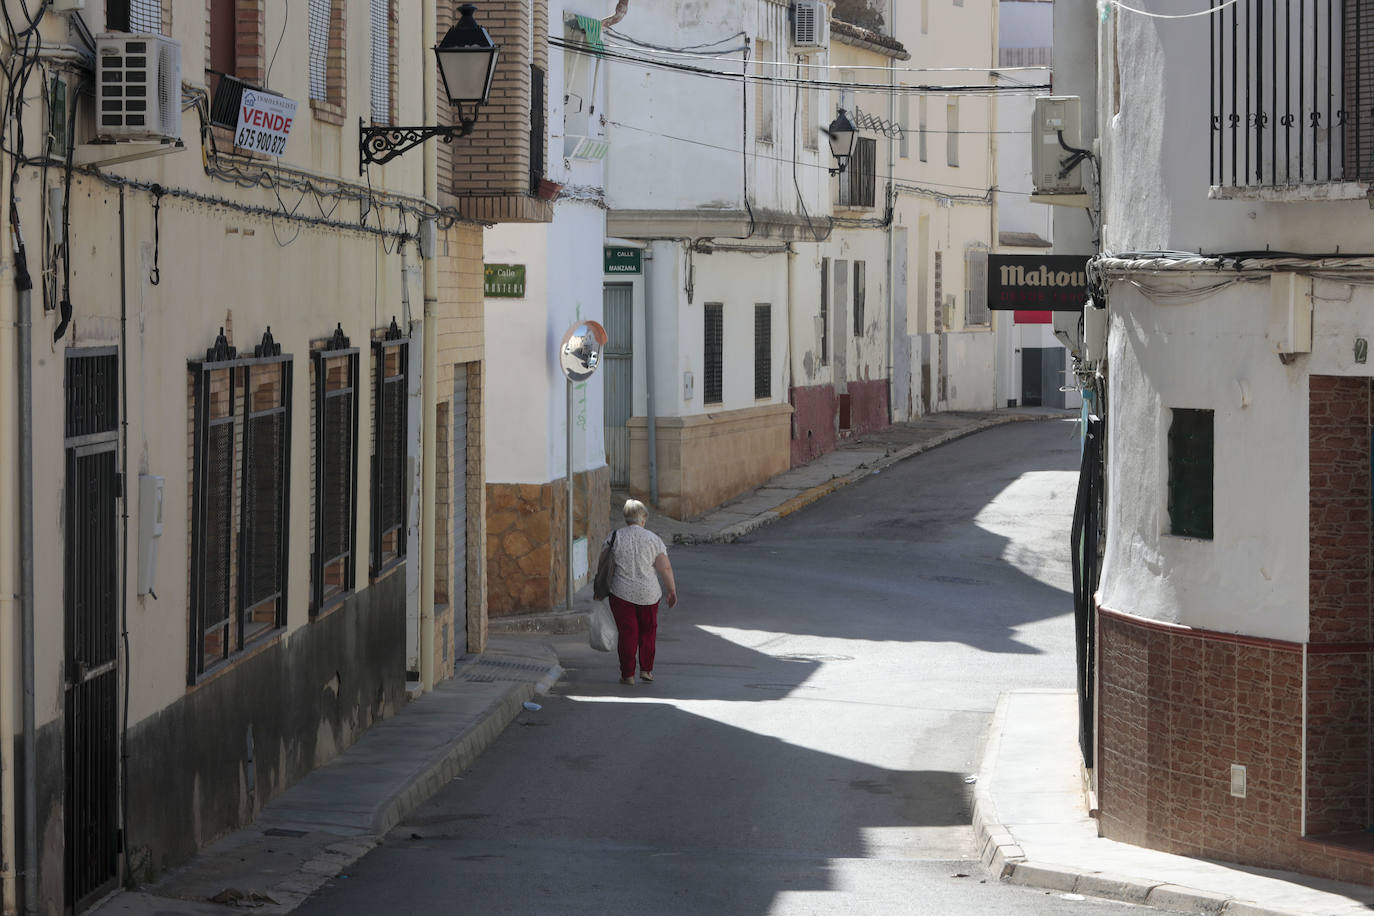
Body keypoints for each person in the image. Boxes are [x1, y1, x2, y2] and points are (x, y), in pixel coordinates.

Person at [605, 499, 677, 685]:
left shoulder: (615, 537)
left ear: (626, 518)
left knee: (627, 633)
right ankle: (646, 670)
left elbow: (603, 564)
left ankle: (627, 675)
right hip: (649, 594)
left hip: (621, 593)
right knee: (648, 631)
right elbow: (665, 568)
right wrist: (671, 591)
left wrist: (600, 587)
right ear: (643, 518)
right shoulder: (653, 539)